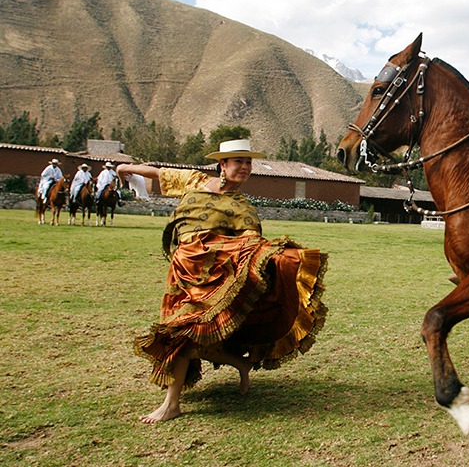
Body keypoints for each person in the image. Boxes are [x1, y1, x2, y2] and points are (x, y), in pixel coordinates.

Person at [118, 139, 328, 423]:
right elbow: (159, 172)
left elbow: (251, 246)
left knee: (183, 332)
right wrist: (125, 167)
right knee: (187, 337)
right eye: (238, 161)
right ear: (223, 165)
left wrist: (283, 259)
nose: (244, 167)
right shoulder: (194, 180)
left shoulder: (243, 206)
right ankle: (240, 364)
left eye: (248, 162)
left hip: (211, 279)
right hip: (183, 272)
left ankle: (171, 404)